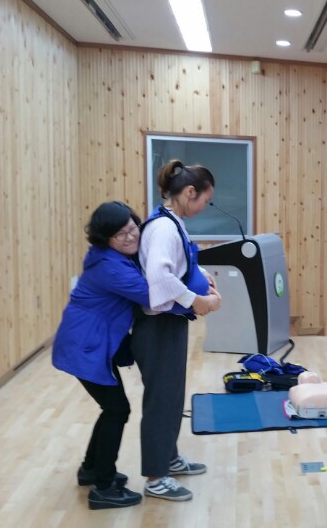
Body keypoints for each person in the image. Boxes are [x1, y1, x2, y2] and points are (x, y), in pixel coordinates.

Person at [133, 159, 223, 501]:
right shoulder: (164, 228)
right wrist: (197, 300)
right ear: (189, 192)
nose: (204, 206)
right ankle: (156, 477)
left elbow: (180, 266)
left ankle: (167, 458)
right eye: (205, 200)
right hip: (157, 326)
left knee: (172, 397)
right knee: (161, 400)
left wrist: (203, 278)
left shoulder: (173, 223)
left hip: (169, 323)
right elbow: (159, 277)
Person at [51, 201, 149, 510]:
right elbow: (152, 295)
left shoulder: (110, 256)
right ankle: (103, 488)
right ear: (106, 239)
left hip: (88, 342)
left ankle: (91, 469)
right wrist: (197, 297)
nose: (130, 236)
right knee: (117, 410)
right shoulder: (110, 267)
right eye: (121, 234)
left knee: (113, 409)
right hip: (85, 346)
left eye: (132, 228)